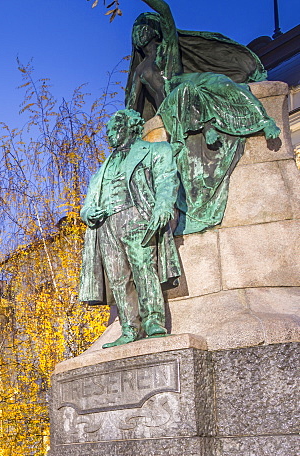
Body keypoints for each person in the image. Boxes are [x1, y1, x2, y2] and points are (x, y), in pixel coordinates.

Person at [125, 0, 279, 234]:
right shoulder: (140, 70)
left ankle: (263, 121)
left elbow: (165, 9)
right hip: (169, 102)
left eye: (144, 25)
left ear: (155, 30)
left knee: (223, 82)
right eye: (136, 29)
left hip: (184, 82)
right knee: (185, 94)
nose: (139, 31)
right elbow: (131, 105)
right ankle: (206, 127)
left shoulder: (167, 49)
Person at [79, 108, 182, 347]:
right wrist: (88, 213)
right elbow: (87, 204)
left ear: (129, 127)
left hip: (137, 216)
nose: (110, 135)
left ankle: (154, 322)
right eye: (108, 131)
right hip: (105, 225)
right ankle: (129, 328)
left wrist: (162, 207)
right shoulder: (101, 169)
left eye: (114, 129)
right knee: (118, 278)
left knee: (144, 269)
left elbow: (167, 180)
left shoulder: (155, 150)